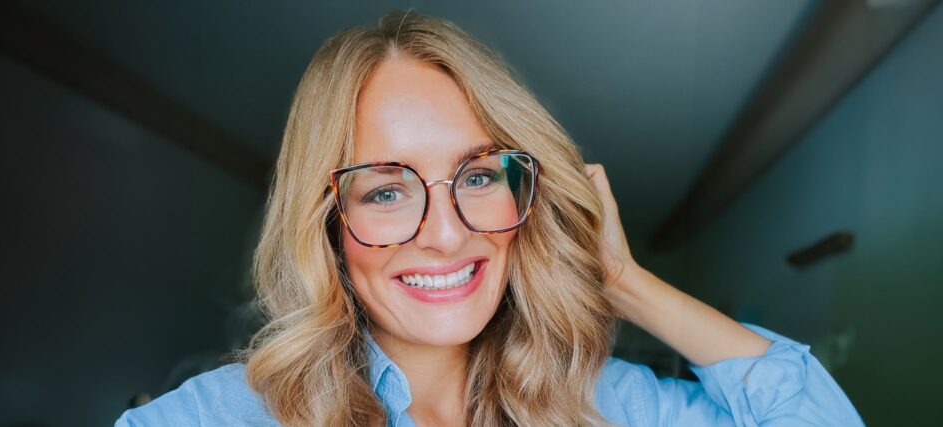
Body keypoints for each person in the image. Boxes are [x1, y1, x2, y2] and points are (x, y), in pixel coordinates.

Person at [116, 10, 863, 426]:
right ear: (327, 221)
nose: (445, 232)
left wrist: (625, 281)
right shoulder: (216, 420)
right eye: (385, 190)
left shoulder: (603, 404)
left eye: (476, 175)